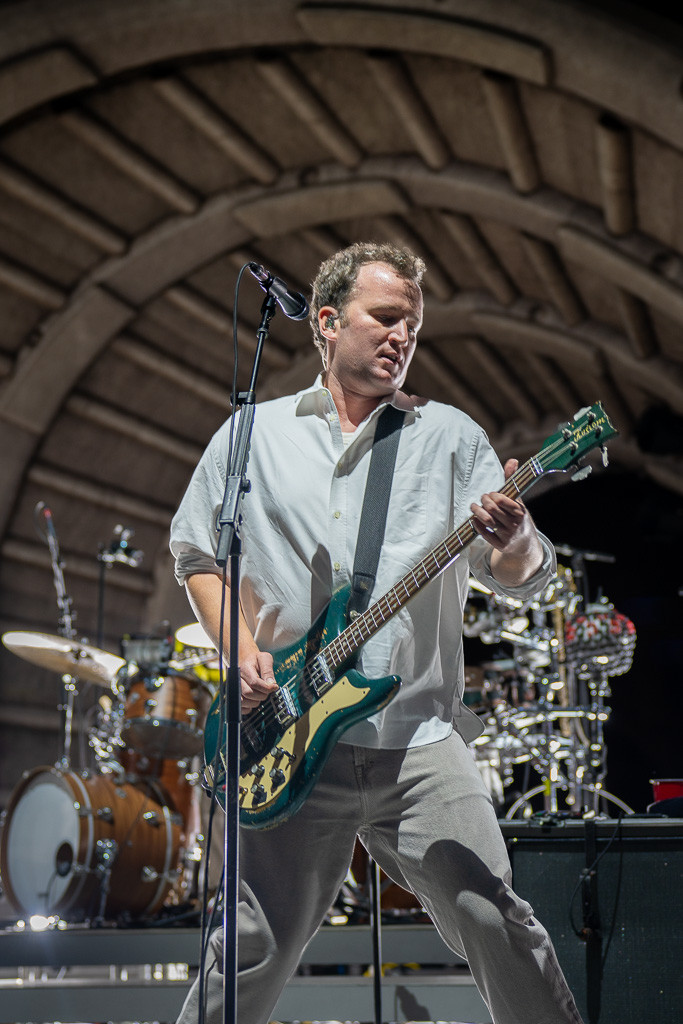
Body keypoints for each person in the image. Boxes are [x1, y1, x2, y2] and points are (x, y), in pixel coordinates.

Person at [170, 241, 584, 1024]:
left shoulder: (448, 436)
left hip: (417, 740)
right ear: (326, 320)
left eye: (413, 327)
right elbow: (196, 555)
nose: (401, 337)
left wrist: (515, 534)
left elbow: (524, 571)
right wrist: (241, 652)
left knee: (496, 918)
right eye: (386, 317)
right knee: (250, 948)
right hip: (285, 733)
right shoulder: (249, 435)